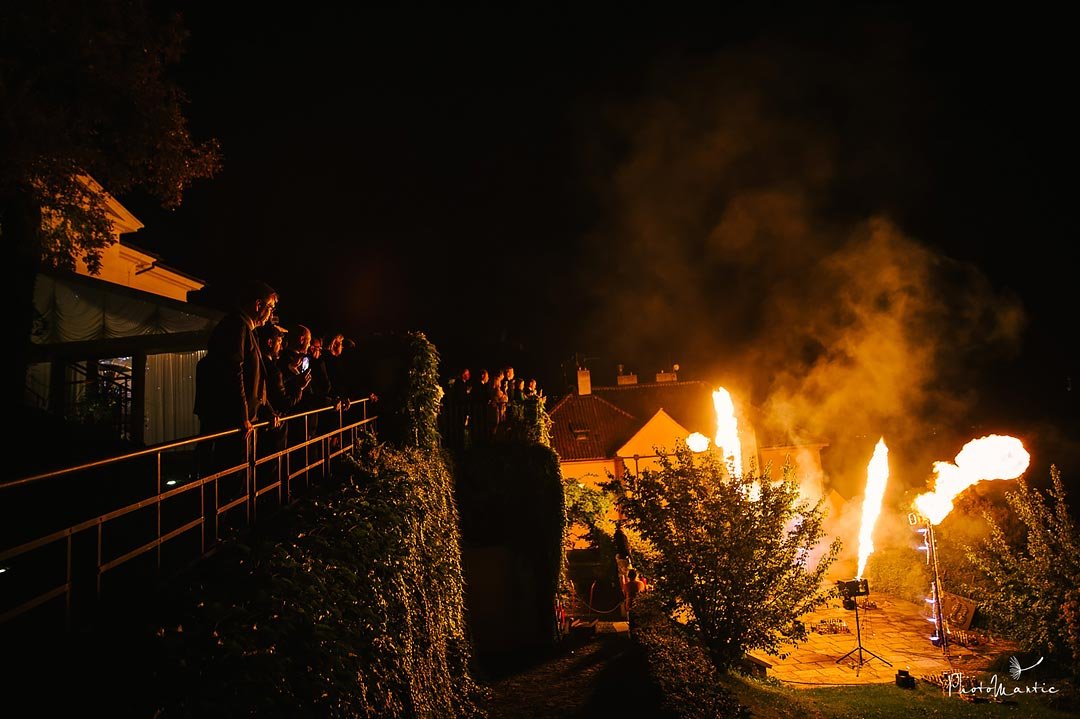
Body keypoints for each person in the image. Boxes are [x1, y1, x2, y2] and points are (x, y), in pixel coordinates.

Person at [194, 279, 278, 474]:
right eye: (271, 308)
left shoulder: (243, 328)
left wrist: (267, 410)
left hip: (242, 421)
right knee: (234, 477)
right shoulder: (237, 326)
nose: (271, 314)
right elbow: (234, 371)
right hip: (235, 423)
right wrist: (241, 415)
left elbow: (253, 379)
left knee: (240, 475)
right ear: (258, 305)